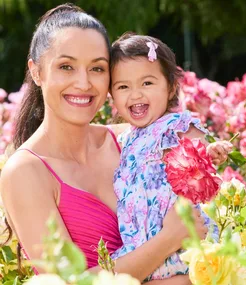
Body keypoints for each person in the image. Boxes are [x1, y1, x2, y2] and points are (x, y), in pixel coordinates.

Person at [0, 4, 206, 284]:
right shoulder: (25, 172)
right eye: (66, 67)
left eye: (97, 68)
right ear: (36, 72)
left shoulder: (133, 140)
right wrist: (169, 239)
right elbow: (67, 282)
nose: (84, 83)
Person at [110, 33, 233, 281]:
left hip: (182, 241)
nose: (135, 95)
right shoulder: (126, 138)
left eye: (147, 83)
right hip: (144, 244)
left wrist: (209, 152)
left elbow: (196, 149)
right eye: (123, 86)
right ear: (111, 95)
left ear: (171, 88)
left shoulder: (174, 125)